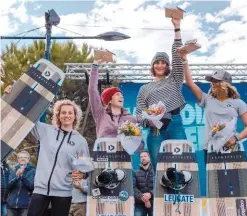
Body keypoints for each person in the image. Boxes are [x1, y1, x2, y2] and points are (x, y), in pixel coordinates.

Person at [4, 86, 91, 216]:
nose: (66, 115)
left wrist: (82, 174)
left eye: (70, 113)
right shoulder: (46, 131)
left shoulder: (80, 141)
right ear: (58, 115)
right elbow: (26, 114)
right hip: (40, 190)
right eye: (63, 112)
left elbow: (85, 168)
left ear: (75, 117)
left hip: (63, 193)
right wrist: (14, 94)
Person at [135, 17, 187, 170]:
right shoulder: (144, 88)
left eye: (163, 62)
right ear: (152, 66)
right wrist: (149, 121)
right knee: (159, 165)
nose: (160, 65)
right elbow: (139, 113)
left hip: (175, 122)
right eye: (157, 62)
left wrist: (177, 28)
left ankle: (181, 192)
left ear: (167, 66)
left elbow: (177, 57)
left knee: (182, 161)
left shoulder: (175, 79)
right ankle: (162, 193)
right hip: (155, 128)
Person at [177, 49, 247, 160]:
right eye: (212, 80)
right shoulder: (207, 99)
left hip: (232, 147)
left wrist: (236, 138)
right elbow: (190, 83)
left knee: (235, 177)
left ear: (226, 84)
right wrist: (185, 61)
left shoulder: (238, 103)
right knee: (214, 178)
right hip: (210, 147)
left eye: (216, 80)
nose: (212, 83)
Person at [88, 58, 142, 186]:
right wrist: (95, 67)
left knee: (121, 190)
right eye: (117, 95)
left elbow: (139, 145)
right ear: (109, 100)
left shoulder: (131, 119)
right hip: (103, 157)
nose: (121, 97)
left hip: (122, 158)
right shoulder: (100, 114)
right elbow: (92, 91)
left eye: (122, 95)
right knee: (102, 188)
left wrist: (134, 143)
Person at [6, 151, 35, 216]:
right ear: (18, 159)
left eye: (25, 157)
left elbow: (31, 186)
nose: (22, 159)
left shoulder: (32, 171)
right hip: (11, 205)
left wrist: (22, 176)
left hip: (25, 205)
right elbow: (9, 186)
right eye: (20, 157)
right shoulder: (13, 170)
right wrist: (17, 177)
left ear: (28, 159)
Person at [133, 151, 154, 216]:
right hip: (139, 203)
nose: (143, 158)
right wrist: (142, 197)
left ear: (149, 158)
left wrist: (150, 194)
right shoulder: (135, 172)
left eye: (145, 156)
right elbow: (132, 187)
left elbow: (158, 186)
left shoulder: (155, 171)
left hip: (154, 202)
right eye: (141, 157)